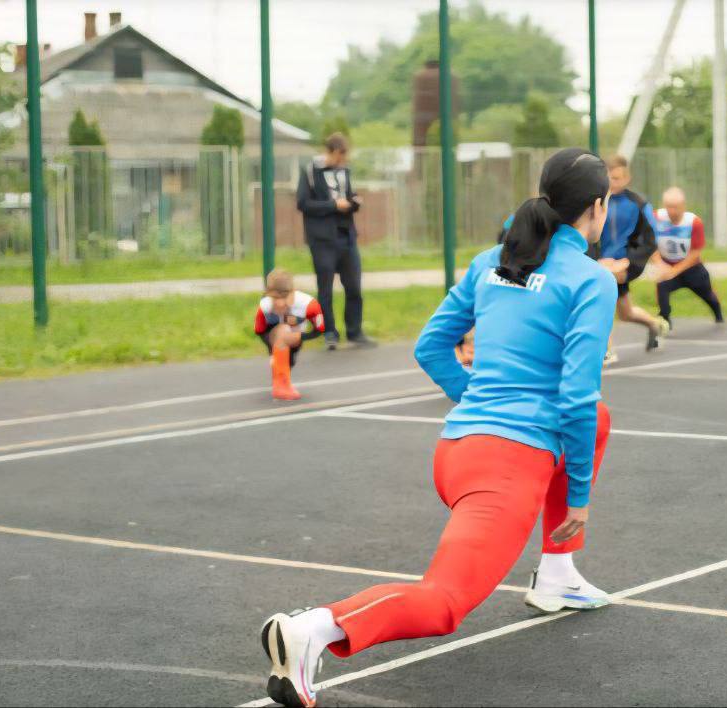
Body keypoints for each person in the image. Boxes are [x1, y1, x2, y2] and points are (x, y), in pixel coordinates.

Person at [259, 149, 619, 708]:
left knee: (597, 422)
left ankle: (558, 573)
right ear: (598, 207)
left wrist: (475, 397)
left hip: (457, 450)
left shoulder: (489, 261)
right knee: (444, 603)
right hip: (506, 468)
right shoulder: (592, 281)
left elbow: (430, 346)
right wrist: (577, 501)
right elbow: (573, 397)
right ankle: (316, 628)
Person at [296, 132, 375, 350]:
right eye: (340, 156)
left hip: (346, 237)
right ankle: (329, 333)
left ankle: (355, 331)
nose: (343, 160)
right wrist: (333, 206)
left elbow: (348, 196)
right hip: (322, 239)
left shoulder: (345, 172)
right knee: (325, 289)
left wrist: (353, 202)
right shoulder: (311, 171)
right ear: (331, 152)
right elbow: (303, 203)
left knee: (354, 287)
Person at [595, 155, 665, 363]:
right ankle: (655, 325)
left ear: (627, 178)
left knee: (600, 296)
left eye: (616, 178)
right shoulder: (596, 204)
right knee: (625, 313)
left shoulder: (639, 204)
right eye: (608, 178)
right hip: (602, 264)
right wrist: (599, 260)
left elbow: (651, 240)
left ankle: (607, 350)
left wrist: (628, 260)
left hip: (629, 263)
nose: (612, 183)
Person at [649, 186, 724, 330]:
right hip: (668, 265)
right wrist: (659, 263)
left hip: (692, 269)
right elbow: (649, 243)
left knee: (708, 295)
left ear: (683, 206)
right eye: (669, 207)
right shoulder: (656, 218)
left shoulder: (693, 222)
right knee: (662, 287)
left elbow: (695, 253)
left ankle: (719, 316)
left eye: (676, 207)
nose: (672, 211)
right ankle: (665, 321)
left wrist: (675, 270)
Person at [253, 269, 325, 401]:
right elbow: (259, 331)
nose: (279, 303)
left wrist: (300, 337)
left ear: (292, 293)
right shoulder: (264, 307)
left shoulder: (309, 305)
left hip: (296, 336)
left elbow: (319, 330)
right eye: (275, 298)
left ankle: (282, 376)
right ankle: (280, 386)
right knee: (283, 330)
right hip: (276, 333)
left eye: (284, 298)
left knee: (289, 361)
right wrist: (273, 351)